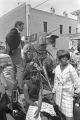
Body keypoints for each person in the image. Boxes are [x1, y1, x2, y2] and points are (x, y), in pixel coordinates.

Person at [52, 49, 80, 120]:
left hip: (68, 96)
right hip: (59, 95)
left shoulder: (71, 69)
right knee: (61, 114)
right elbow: (56, 81)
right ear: (59, 58)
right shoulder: (57, 68)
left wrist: (77, 93)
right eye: (63, 57)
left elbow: (77, 83)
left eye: (66, 57)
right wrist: (54, 93)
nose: (65, 59)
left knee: (69, 117)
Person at [5, 21, 25, 90]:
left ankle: (13, 84)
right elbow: (7, 37)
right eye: (22, 26)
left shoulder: (16, 32)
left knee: (13, 68)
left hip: (15, 52)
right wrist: (13, 47)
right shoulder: (15, 31)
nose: (23, 27)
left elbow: (14, 40)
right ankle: (20, 86)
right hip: (16, 51)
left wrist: (20, 42)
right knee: (20, 68)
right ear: (18, 26)